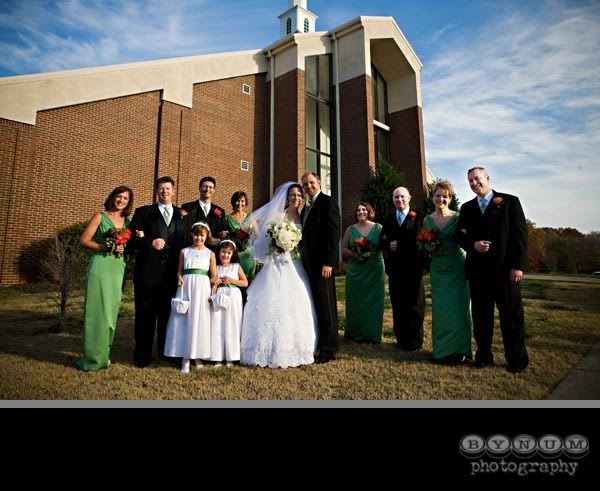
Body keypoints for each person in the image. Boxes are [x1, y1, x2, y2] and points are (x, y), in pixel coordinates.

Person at [456, 167, 529, 373]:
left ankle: (516, 360)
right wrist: (473, 245)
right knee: (481, 318)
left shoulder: (509, 202)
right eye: (470, 180)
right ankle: (484, 356)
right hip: (479, 273)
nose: (473, 183)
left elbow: (520, 236)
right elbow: (460, 236)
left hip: (505, 272)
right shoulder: (467, 208)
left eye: (477, 179)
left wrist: (518, 266)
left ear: (487, 178)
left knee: (512, 317)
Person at [241, 182, 317, 368]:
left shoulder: (305, 216)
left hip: (296, 264)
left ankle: (297, 347)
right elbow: (263, 236)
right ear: (287, 197)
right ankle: (264, 348)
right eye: (293, 195)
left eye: (299, 195)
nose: (296, 198)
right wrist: (278, 244)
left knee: (299, 301)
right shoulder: (278, 215)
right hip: (276, 263)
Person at [129, 176, 185, 368]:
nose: (165, 192)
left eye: (168, 189)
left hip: (171, 275)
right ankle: (142, 355)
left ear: (173, 191)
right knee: (145, 315)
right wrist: (149, 242)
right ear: (156, 191)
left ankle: (164, 352)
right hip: (147, 273)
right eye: (161, 189)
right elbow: (131, 240)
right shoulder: (143, 213)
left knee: (166, 315)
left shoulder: (181, 215)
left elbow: (186, 241)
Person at [77, 186, 134, 371]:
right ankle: (92, 358)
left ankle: (104, 355)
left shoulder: (127, 222)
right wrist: (105, 246)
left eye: (125, 198)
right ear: (113, 197)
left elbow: (131, 245)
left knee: (110, 314)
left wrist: (124, 248)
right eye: (119, 196)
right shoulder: (100, 217)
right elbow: (84, 240)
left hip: (118, 268)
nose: (121, 200)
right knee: (97, 311)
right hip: (101, 266)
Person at [424, 181, 472, 364]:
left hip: (457, 266)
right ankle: (442, 351)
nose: (441, 199)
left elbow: (466, 239)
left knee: (460, 309)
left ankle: (460, 351)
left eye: (445, 196)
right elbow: (423, 243)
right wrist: (427, 245)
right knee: (441, 309)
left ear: (450, 199)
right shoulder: (427, 220)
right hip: (438, 267)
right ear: (433, 197)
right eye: (437, 195)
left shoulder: (459, 217)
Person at [164, 222, 217, 373]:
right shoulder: (184, 252)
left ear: (206, 237)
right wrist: (179, 278)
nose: (199, 238)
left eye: (202, 235)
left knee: (199, 320)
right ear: (192, 235)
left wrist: (214, 287)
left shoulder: (210, 254)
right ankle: (185, 358)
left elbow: (214, 276)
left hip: (202, 288)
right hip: (186, 287)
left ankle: (197, 355)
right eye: (196, 234)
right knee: (185, 319)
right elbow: (179, 271)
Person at [301, 172, 341, 364]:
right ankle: (325, 342)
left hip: (322, 265)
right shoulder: (307, 208)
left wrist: (329, 262)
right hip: (310, 264)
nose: (309, 186)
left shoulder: (327, 202)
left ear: (318, 182)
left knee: (326, 306)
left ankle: (329, 349)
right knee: (319, 304)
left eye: (311, 183)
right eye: (305, 184)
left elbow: (333, 234)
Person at [381, 187, 425, 351]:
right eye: (396, 197)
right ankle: (401, 339)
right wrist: (388, 244)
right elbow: (382, 240)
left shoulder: (419, 217)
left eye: (402, 197)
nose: (399, 199)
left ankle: (415, 341)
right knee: (398, 304)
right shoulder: (389, 218)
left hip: (414, 269)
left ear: (409, 198)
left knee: (415, 305)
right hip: (396, 270)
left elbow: (424, 239)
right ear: (393, 199)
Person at [342, 202, 385, 344]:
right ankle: (354, 334)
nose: (361, 212)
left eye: (364, 209)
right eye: (358, 210)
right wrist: (355, 254)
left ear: (369, 211)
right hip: (356, 271)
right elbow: (343, 248)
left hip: (374, 269)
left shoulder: (378, 228)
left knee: (374, 303)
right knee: (356, 302)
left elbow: (384, 245)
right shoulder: (350, 229)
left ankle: (372, 335)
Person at [210, 240, 248, 367]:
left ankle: (231, 357)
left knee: (232, 325)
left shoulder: (236, 266)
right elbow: (214, 284)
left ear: (232, 254)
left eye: (228, 253)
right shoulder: (216, 267)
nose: (225, 255)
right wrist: (213, 294)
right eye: (223, 252)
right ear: (219, 252)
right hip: (220, 297)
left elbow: (245, 282)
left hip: (233, 297)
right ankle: (218, 357)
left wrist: (232, 280)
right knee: (218, 324)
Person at [181, 176, 227, 248]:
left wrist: (218, 240)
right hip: (192, 250)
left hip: (212, 252)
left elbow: (223, 233)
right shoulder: (188, 207)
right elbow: (185, 231)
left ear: (214, 190)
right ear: (199, 188)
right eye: (205, 186)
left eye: (210, 187)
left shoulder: (220, 211)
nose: (207, 189)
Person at [225, 191, 257, 284]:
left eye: (242, 201)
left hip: (248, 254)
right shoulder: (227, 218)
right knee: (234, 279)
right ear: (233, 202)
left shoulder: (250, 217)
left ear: (245, 202)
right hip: (234, 254)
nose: (240, 203)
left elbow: (258, 236)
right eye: (237, 201)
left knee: (248, 281)